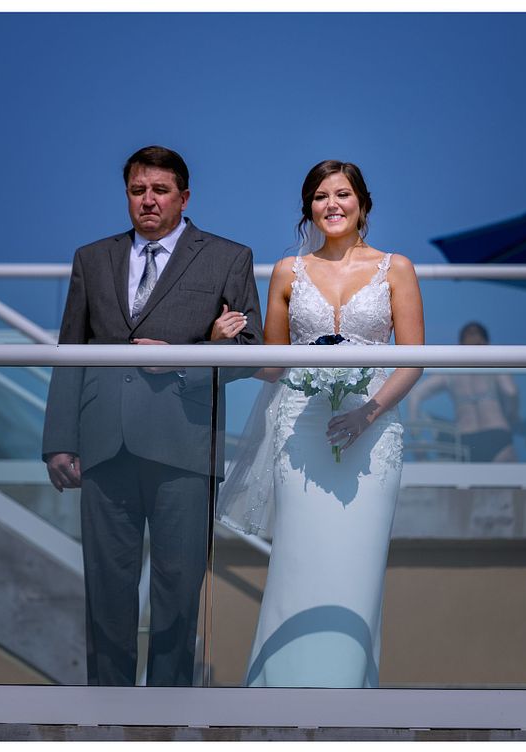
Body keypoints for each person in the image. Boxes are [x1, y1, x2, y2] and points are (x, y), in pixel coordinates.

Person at [42, 145, 263, 687]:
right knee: (106, 587)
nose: (148, 200)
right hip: (104, 441)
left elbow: (250, 352)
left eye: (160, 190)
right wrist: (59, 439)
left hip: (184, 445)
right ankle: (108, 711)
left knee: (179, 588)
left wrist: (184, 358)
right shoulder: (92, 258)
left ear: (184, 198)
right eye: (137, 190)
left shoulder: (228, 257)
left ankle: (168, 712)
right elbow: (70, 348)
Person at [224, 160, 424, 688]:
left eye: (342, 194)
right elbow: (272, 364)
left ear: (363, 203)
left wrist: (367, 413)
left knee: (358, 563)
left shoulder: (396, 268)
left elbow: (413, 361)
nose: (331, 204)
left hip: (373, 434)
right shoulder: (287, 271)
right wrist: (220, 345)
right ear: (308, 209)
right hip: (299, 432)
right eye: (319, 196)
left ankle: (346, 694)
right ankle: (280, 694)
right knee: (298, 559)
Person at [409, 322, 518, 461]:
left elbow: (416, 394)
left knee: (466, 475)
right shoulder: (496, 365)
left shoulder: (451, 372)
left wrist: (415, 431)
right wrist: (511, 416)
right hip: (496, 431)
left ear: (460, 345)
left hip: (465, 436)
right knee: (505, 475)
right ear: (486, 343)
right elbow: (510, 392)